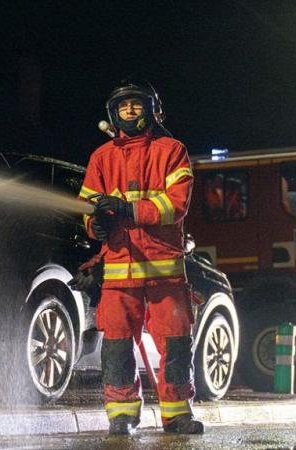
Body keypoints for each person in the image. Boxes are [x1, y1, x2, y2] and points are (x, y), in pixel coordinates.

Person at [77, 79, 203, 435]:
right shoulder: (101, 158)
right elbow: (87, 206)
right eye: (123, 106)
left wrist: (126, 209)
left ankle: (178, 414)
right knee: (117, 345)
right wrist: (94, 224)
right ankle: (121, 415)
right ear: (113, 114)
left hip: (164, 270)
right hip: (119, 269)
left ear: (151, 109)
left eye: (136, 105)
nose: (129, 111)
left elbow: (174, 205)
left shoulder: (172, 150)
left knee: (175, 342)